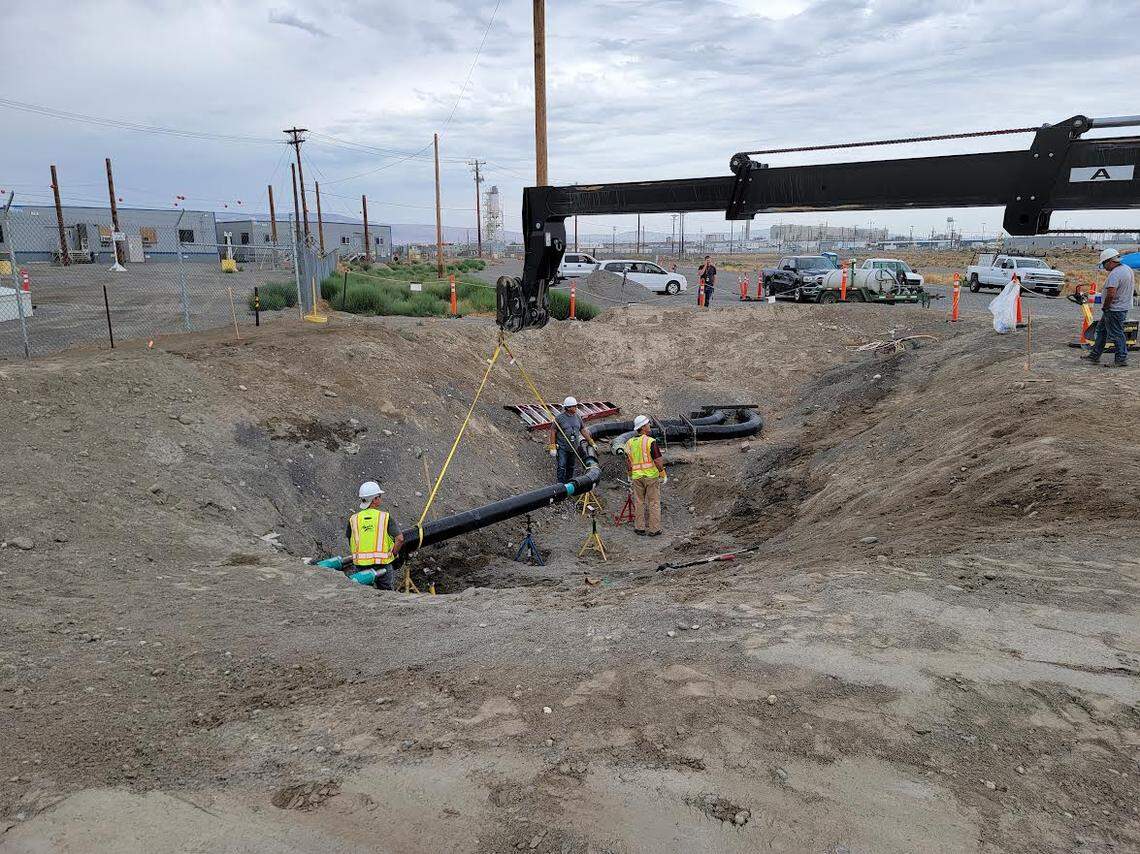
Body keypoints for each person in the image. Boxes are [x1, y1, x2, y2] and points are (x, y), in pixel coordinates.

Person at [346, 481, 404, 590]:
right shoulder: (384, 517)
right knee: (387, 595)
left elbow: (350, 540)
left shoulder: (353, 519)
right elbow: (400, 539)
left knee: (364, 595)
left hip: (361, 565)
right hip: (382, 564)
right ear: (374, 499)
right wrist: (393, 554)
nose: (381, 499)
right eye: (379, 497)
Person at [1082, 248, 1133, 368]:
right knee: (1102, 331)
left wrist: (1105, 307)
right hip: (1119, 307)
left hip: (1114, 309)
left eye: (1104, 264)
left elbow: (1111, 294)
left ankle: (1121, 358)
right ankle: (1095, 355)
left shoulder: (1115, 274)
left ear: (1110, 261)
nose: (1104, 267)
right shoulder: (1127, 269)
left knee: (1116, 334)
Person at [625, 415, 666, 536]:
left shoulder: (629, 443)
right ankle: (654, 529)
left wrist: (630, 474)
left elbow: (628, 461)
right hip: (651, 476)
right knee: (653, 503)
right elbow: (658, 460)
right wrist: (662, 473)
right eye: (648, 424)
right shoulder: (650, 441)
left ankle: (639, 528)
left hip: (637, 477)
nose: (649, 426)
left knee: (639, 502)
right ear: (643, 427)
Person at [553, 396, 594, 482]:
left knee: (571, 466)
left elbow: (582, 430)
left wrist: (590, 441)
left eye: (576, 406)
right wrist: (552, 446)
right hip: (562, 448)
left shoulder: (578, 417)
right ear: (568, 408)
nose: (576, 407)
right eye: (574, 406)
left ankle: (569, 482)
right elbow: (553, 431)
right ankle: (560, 485)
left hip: (573, 447)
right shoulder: (559, 418)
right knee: (561, 465)